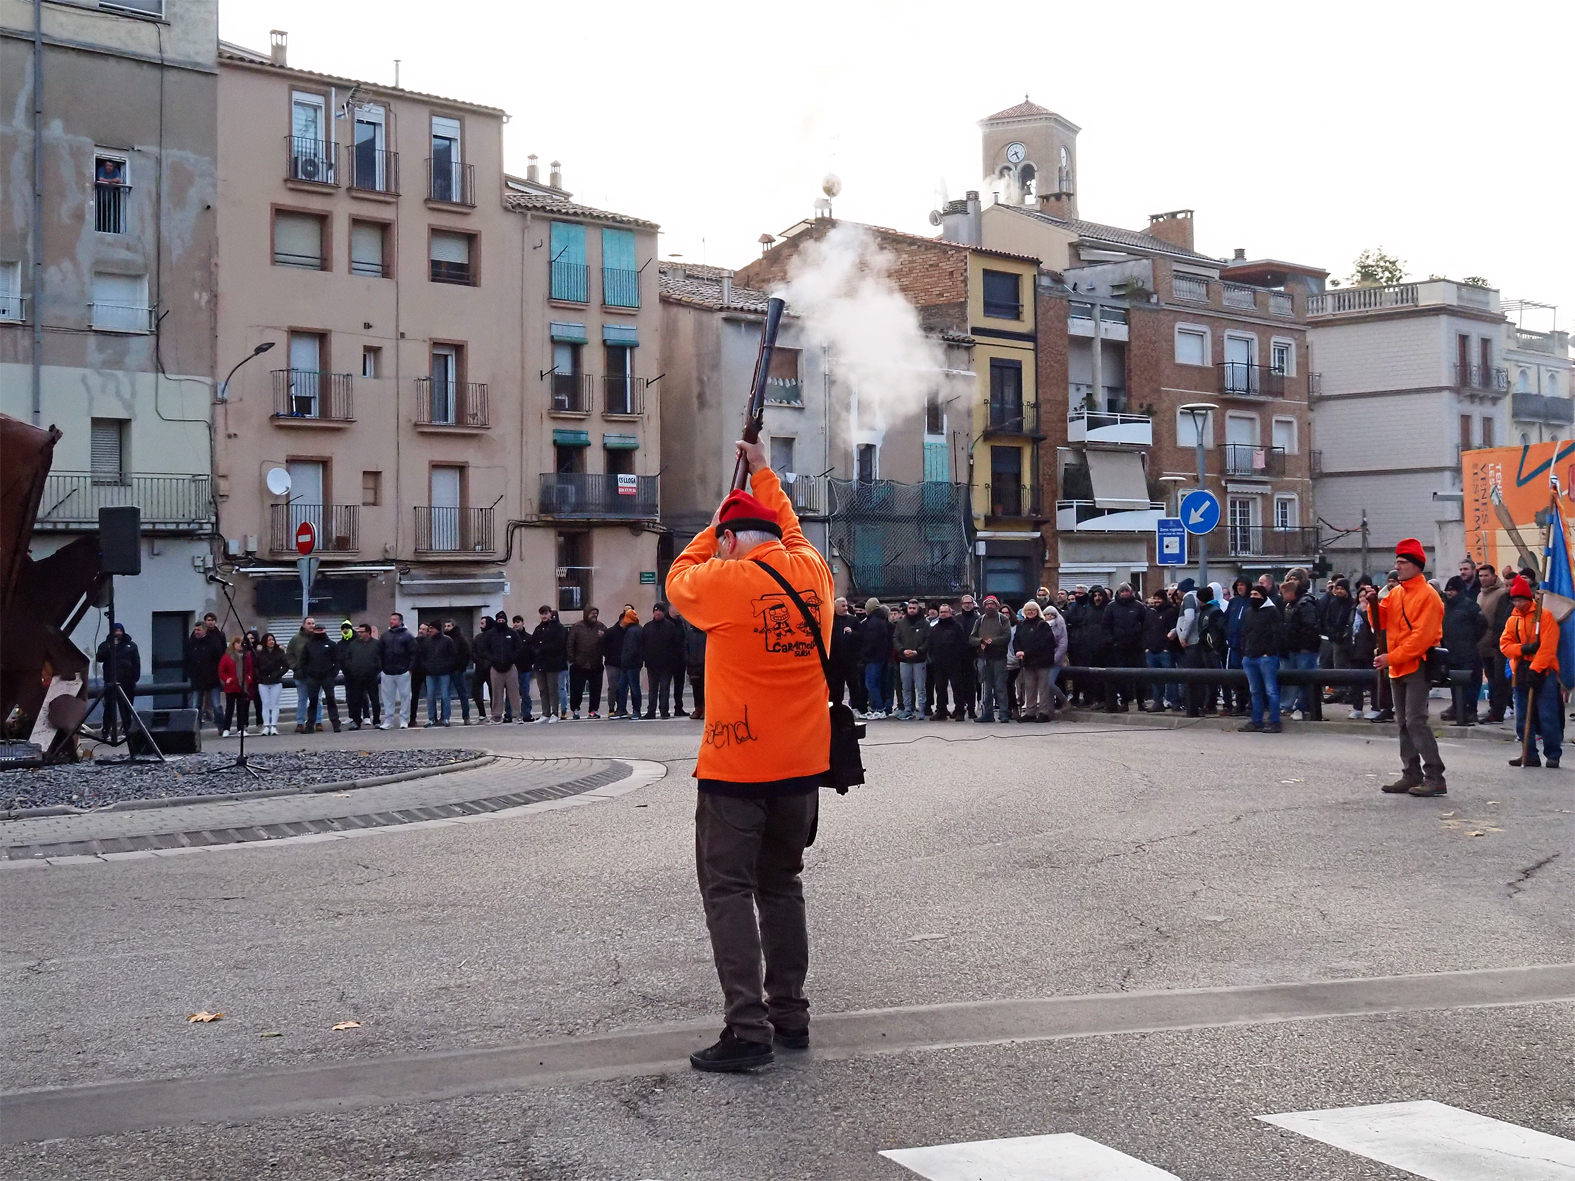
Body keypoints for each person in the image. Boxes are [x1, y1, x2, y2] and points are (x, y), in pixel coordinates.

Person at [665, 437, 833, 1073]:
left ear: (732, 540)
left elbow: (680, 576)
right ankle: (790, 1014)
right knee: (782, 885)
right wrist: (764, 473)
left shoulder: (723, 580)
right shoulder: (813, 572)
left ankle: (747, 1027)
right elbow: (789, 528)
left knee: (728, 890)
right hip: (801, 766)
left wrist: (711, 528)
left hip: (737, 768)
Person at [1377, 539, 1447, 796]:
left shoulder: (1428, 595)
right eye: (1397, 561)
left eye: (1403, 562)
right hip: (1398, 664)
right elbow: (1380, 620)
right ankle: (1411, 773)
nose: (1398, 566)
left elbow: (1422, 639)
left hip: (1416, 664)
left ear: (1417, 565)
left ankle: (1434, 775)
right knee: (1403, 723)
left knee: (1415, 721)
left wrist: (1391, 658)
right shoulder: (1396, 593)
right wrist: (1375, 602)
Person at [1501, 575, 1561, 768]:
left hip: (1543, 671)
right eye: (1515, 600)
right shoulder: (1513, 620)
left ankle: (1553, 754)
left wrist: (1536, 669)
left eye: (1521, 600)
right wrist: (1522, 649)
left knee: (1547, 715)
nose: (1518, 604)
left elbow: (1548, 647)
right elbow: (1505, 645)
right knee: (1522, 716)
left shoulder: (1544, 616)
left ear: (1529, 599)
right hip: (1521, 669)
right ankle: (1529, 754)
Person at [1237, 583, 1285, 733]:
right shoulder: (1249, 611)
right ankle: (1256, 720)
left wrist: (1268, 652)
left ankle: (1274, 721)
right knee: (1255, 691)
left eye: (1256, 595)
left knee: (1271, 691)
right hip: (1250, 657)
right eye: (1251, 595)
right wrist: (1244, 651)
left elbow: (1277, 634)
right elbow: (1244, 632)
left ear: (1264, 596)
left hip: (1266, 658)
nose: (1253, 597)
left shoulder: (1272, 611)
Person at [1441, 576, 1488, 725]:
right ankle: (1457, 709)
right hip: (1451, 652)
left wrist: (1471, 639)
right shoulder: (1446, 607)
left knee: (1470, 683)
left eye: (1452, 590)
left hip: (1468, 652)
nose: (1449, 593)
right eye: (1447, 590)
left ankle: (1469, 711)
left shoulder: (1470, 606)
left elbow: (1482, 625)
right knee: (1455, 683)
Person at [1475, 563, 1512, 724]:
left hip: (1496, 644)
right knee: (1491, 678)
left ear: (1494, 576)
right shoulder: (1480, 594)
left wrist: (1495, 641)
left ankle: (1500, 710)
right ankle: (1494, 709)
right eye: (1481, 576)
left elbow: (1499, 622)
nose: (1483, 579)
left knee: (1500, 681)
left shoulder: (1501, 594)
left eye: (1486, 575)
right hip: (1483, 644)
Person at [1280, 577, 1321, 720]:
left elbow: (1310, 628)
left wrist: (1306, 646)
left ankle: (1301, 707)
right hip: (1293, 648)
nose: (1282, 597)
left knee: (1305, 678)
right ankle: (1289, 705)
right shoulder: (1291, 605)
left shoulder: (1305, 605)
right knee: (1292, 678)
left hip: (1304, 649)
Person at [1102, 583, 1145, 712]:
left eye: (1127, 591)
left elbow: (1145, 624)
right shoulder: (1111, 607)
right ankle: (1125, 701)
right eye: (1123, 591)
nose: (1125, 594)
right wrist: (1112, 640)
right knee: (1121, 676)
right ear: (1119, 593)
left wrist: (1142, 641)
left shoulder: (1139, 606)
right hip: (1118, 646)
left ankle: (1141, 701)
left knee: (1140, 675)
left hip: (1136, 646)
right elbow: (1105, 626)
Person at [1013, 600, 1059, 722]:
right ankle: (1030, 712)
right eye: (1028, 610)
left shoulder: (1043, 625)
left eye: (1033, 610)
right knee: (1029, 687)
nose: (1031, 612)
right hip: (1027, 662)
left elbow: (1041, 643)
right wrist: (1018, 650)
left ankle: (1044, 712)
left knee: (1043, 688)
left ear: (1037, 611)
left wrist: (1025, 652)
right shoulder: (1021, 624)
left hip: (1042, 661)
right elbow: (1016, 640)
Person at [969, 595, 1011, 723]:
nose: (989, 606)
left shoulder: (1002, 619)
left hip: (999, 658)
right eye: (987, 604)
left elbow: (1007, 636)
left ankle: (1004, 713)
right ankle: (987, 713)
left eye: (992, 604)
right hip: (984, 657)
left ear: (997, 605)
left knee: (1000, 687)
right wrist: (981, 641)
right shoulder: (980, 621)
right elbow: (971, 638)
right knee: (986, 688)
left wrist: (992, 642)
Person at [95, 622, 141, 738]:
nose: (118, 633)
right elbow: (99, 658)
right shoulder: (105, 645)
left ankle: (127, 728)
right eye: (116, 631)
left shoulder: (131, 645)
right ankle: (107, 729)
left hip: (127, 681)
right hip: (111, 680)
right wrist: (110, 648)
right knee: (109, 707)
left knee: (126, 707)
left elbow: (136, 662)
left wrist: (135, 677)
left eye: (120, 631)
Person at [640, 602, 684, 719]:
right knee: (653, 689)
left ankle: (664, 710)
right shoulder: (647, 627)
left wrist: (673, 660)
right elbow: (643, 644)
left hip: (666, 664)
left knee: (664, 688)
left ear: (664, 612)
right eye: (655, 610)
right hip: (651, 663)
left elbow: (676, 645)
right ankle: (651, 711)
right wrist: (645, 658)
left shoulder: (670, 627)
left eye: (660, 610)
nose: (657, 613)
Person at [296, 620, 341, 733]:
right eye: (317, 630)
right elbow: (303, 661)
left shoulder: (331, 644)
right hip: (312, 678)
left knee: (330, 700)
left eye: (321, 630)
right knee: (312, 702)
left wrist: (333, 674)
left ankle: (336, 724)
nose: (319, 632)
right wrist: (307, 674)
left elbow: (338, 660)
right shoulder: (309, 645)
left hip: (327, 677)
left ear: (325, 631)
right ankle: (310, 725)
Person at [928, 603, 970, 720]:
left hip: (954, 663)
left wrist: (957, 658)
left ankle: (959, 711)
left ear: (950, 613)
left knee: (957, 688)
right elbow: (931, 644)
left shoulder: (957, 627)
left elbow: (962, 645)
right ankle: (941, 711)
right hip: (939, 664)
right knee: (940, 688)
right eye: (941, 612)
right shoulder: (936, 627)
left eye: (945, 612)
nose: (943, 614)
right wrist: (932, 658)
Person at [891, 599, 930, 720]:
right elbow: (896, 638)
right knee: (906, 687)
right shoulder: (901, 623)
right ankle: (907, 709)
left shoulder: (925, 623)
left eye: (914, 608)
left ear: (918, 609)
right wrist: (902, 650)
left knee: (920, 687)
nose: (912, 610)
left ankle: (922, 709)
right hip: (904, 659)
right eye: (910, 608)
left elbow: (928, 640)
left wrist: (918, 651)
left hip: (919, 660)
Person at [1142, 589, 1180, 712]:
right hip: (1151, 651)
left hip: (1165, 651)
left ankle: (1174, 701)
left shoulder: (1170, 612)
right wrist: (1146, 647)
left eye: (1159, 598)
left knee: (1170, 678)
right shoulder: (1150, 613)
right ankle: (1158, 702)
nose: (1157, 601)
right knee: (1155, 678)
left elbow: (1174, 631)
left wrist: (1167, 647)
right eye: (1155, 598)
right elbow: (1145, 630)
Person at [377, 611, 417, 729]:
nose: (391, 621)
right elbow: (379, 653)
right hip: (387, 672)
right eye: (391, 619)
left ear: (400, 621)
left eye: (394, 619)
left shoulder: (407, 636)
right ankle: (388, 721)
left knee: (405, 697)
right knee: (387, 698)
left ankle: (404, 720)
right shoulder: (385, 636)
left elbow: (414, 654)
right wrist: (382, 668)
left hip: (403, 672)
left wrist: (410, 669)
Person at [183, 619, 225, 729]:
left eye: (199, 630)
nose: (196, 632)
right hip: (197, 679)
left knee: (216, 705)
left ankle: (221, 726)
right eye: (195, 630)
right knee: (196, 705)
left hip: (213, 678)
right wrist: (189, 673)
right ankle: (196, 727)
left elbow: (219, 659)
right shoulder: (191, 643)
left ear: (204, 630)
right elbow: (187, 659)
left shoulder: (213, 642)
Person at [567, 606, 607, 719]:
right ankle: (575, 710)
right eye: (592, 613)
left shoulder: (601, 626)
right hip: (579, 663)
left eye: (596, 613)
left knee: (595, 689)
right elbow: (570, 644)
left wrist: (603, 637)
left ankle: (593, 710)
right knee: (576, 689)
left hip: (596, 663)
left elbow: (607, 643)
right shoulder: (577, 627)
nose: (594, 616)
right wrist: (572, 660)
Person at [1348, 583, 1381, 720]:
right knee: (1356, 681)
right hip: (1355, 650)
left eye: (1366, 597)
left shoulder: (1374, 611)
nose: (1363, 600)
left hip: (1369, 650)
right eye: (1361, 596)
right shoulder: (1353, 610)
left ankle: (1376, 707)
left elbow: (1375, 628)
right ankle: (1357, 707)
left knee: (1374, 681)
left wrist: (1365, 611)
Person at [341, 623, 382, 730]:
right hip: (357, 676)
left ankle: (377, 720)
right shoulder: (354, 644)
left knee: (374, 699)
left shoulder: (376, 644)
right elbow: (348, 658)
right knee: (356, 700)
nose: (360, 634)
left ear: (368, 632)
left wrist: (376, 669)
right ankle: (356, 721)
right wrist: (351, 668)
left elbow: (380, 658)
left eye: (362, 632)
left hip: (371, 676)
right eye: (359, 632)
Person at [1221, 577, 1253, 716]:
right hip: (1233, 645)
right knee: (1235, 674)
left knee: (1248, 675)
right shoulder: (1233, 602)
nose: (1240, 588)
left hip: (1247, 646)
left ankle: (1250, 704)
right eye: (1238, 585)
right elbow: (1226, 619)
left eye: (1242, 585)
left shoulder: (1252, 602)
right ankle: (1239, 703)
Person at [531, 606, 568, 724]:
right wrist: (535, 651)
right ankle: (545, 713)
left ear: (550, 614)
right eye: (542, 614)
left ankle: (555, 713)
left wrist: (541, 649)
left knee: (553, 690)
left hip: (553, 664)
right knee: (543, 690)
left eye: (546, 613)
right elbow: (532, 643)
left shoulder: (558, 628)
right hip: (540, 664)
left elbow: (558, 644)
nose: (544, 616)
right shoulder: (538, 629)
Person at [418, 621, 458, 726]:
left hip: (444, 673)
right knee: (430, 696)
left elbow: (453, 656)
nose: (430, 630)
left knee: (445, 696)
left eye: (432, 628)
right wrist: (426, 667)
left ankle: (445, 717)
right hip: (430, 673)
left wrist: (447, 666)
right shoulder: (427, 642)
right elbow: (422, 656)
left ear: (437, 629)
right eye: (429, 628)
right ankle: (431, 718)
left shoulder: (447, 641)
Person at [859, 600, 893, 719]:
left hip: (873, 657)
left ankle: (879, 708)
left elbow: (871, 641)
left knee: (871, 684)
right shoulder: (881, 620)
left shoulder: (873, 622)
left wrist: (864, 654)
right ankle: (878, 707)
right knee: (876, 683)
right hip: (880, 657)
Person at [217, 635, 255, 737]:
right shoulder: (227, 656)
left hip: (242, 685)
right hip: (231, 686)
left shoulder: (246, 656)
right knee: (229, 708)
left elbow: (250, 669)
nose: (239, 645)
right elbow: (221, 671)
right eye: (237, 643)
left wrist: (248, 678)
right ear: (233, 644)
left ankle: (240, 728)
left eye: (241, 643)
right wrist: (227, 679)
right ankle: (226, 728)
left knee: (241, 708)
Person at [253, 633, 288, 735]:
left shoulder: (279, 652)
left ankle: (273, 726)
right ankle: (266, 725)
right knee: (265, 704)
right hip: (263, 681)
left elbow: (286, 666)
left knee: (275, 704)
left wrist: (278, 674)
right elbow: (255, 666)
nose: (271, 642)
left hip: (276, 681)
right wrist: (259, 675)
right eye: (269, 640)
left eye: (272, 639)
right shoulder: (259, 653)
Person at [441, 620, 474, 726]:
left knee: (462, 694)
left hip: (457, 671)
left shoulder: (460, 639)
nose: (446, 628)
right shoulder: (444, 639)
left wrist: (461, 668)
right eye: (445, 626)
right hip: (446, 671)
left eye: (448, 626)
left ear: (454, 626)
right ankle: (444, 717)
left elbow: (466, 654)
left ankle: (466, 716)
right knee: (445, 694)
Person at [613, 608, 644, 720]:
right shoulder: (636, 629)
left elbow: (631, 649)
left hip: (631, 664)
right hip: (632, 664)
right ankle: (626, 709)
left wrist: (625, 661)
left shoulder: (632, 631)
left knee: (631, 687)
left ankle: (633, 710)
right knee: (626, 686)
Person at [955, 593, 980, 719]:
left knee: (971, 685)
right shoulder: (956, 619)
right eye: (965, 603)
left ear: (973, 604)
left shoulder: (978, 619)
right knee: (958, 685)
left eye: (969, 603)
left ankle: (971, 709)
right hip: (958, 656)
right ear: (961, 604)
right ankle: (959, 710)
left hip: (973, 656)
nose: (967, 605)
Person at [603, 608, 628, 719]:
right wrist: (609, 657)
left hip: (624, 664)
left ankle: (622, 707)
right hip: (612, 663)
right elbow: (603, 646)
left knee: (623, 687)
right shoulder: (611, 632)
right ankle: (611, 708)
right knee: (613, 687)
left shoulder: (628, 631)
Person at [511, 614, 537, 722]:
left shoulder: (528, 637)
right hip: (513, 669)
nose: (516, 624)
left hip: (525, 669)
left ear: (523, 623)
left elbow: (533, 653)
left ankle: (526, 713)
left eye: (518, 622)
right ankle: (511, 714)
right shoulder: (511, 637)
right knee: (512, 693)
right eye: (515, 622)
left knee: (525, 692)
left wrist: (531, 664)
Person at [685, 610, 708, 720]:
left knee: (705, 688)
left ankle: (705, 709)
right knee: (696, 689)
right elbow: (686, 647)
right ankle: (697, 708)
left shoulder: (706, 632)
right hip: (693, 664)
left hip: (704, 664)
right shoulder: (690, 633)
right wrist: (688, 659)